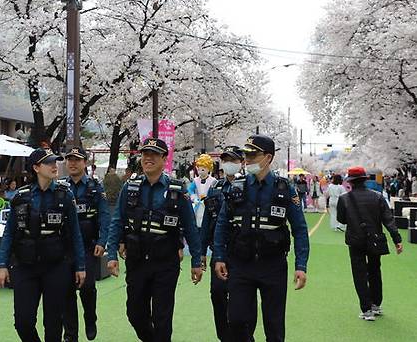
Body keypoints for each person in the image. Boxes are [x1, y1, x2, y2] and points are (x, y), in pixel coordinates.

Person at [213, 135, 309, 342]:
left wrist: (301, 265)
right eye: (246, 154)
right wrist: (219, 256)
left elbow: (300, 229)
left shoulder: (284, 189)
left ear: (268, 158)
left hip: (273, 265)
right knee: (237, 320)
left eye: (253, 154)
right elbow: (222, 224)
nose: (247, 159)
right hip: (241, 264)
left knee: (274, 328)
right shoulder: (236, 187)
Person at [107, 138, 202, 342]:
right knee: (135, 313)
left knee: (162, 318)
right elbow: (117, 221)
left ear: (164, 159)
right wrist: (112, 253)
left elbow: (190, 227)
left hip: (165, 263)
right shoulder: (130, 187)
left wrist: (196, 261)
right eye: (145, 154)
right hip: (137, 261)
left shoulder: (177, 191)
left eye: (154, 154)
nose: (148, 158)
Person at [0, 148, 86, 342]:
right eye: (49, 163)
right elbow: (9, 232)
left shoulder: (65, 195)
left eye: (55, 162)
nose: (55, 166)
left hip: (56, 265)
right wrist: (2, 265)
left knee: (53, 324)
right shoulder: (21, 196)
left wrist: (80, 266)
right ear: (36, 168)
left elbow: (75, 233)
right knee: (23, 321)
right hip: (25, 265)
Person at [197, 145, 255, 341]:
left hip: (244, 253)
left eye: (233, 160)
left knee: (245, 297)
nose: (229, 164)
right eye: (225, 160)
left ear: (242, 163)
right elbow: (207, 222)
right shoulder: (215, 189)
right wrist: (202, 251)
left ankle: (246, 336)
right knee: (217, 294)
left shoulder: (250, 186)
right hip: (220, 252)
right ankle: (224, 336)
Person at [336, 166, 403, 321]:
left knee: (359, 273)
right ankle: (376, 304)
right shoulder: (378, 197)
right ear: (365, 179)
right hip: (375, 240)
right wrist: (397, 239)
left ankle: (366, 309)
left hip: (355, 240)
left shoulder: (344, 199)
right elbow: (388, 220)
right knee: (375, 271)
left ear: (350, 181)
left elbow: (341, 219)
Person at [60, 147, 111, 342]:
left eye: (77, 160)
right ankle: (70, 334)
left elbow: (105, 215)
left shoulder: (94, 187)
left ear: (85, 163)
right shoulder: (61, 187)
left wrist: (102, 240)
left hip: (89, 246)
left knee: (87, 287)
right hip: (65, 248)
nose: (72, 163)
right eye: (69, 160)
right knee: (66, 291)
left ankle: (90, 319)